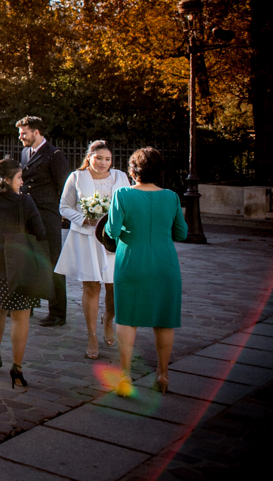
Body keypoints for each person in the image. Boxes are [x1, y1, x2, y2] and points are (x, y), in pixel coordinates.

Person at [107, 147, 186, 396]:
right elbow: (181, 233)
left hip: (131, 262)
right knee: (164, 320)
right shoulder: (172, 197)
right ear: (160, 171)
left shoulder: (122, 194)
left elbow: (113, 231)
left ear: (132, 171)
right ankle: (162, 375)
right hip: (165, 264)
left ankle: (125, 375)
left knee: (127, 318)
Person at [0, 159, 48, 388]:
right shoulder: (25, 201)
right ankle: (17, 367)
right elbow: (40, 232)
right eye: (19, 177)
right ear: (7, 180)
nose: (22, 182)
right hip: (20, 264)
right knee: (21, 316)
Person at [56, 141, 130, 359]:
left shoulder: (121, 177)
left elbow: (128, 204)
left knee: (114, 287)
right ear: (89, 157)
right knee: (91, 287)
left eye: (107, 159)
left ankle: (108, 318)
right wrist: (84, 218)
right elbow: (64, 207)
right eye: (99, 158)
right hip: (86, 238)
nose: (103, 163)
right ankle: (91, 335)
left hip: (113, 240)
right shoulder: (77, 177)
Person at [17, 116, 72, 327]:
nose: (21, 137)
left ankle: (58, 312)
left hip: (47, 216)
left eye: (24, 133)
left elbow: (64, 188)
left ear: (37, 132)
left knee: (53, 263)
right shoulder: (25, 152)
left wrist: (61, 214)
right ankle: (29, 304)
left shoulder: (54, 155)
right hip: (29, 215)